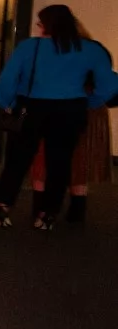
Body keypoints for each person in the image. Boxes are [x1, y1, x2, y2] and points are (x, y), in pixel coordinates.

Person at [0, 4, 118, 230]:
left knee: (17, 161)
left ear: (48, 25)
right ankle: (47, 215)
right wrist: (91, 101)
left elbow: (8, 79)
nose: (38, 27)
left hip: (31, 107)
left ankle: (3, 206)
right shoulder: (90, 49)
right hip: (70, 110)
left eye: (40, 23)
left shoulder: (30, 47)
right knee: (59, 162)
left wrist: (8, 103)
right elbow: (109, 85)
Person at [29, 20, 111, 225]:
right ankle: (76, 211)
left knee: (43, 155)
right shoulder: (94, 49)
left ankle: (40, 208)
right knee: (78, 158)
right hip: (89, 109)